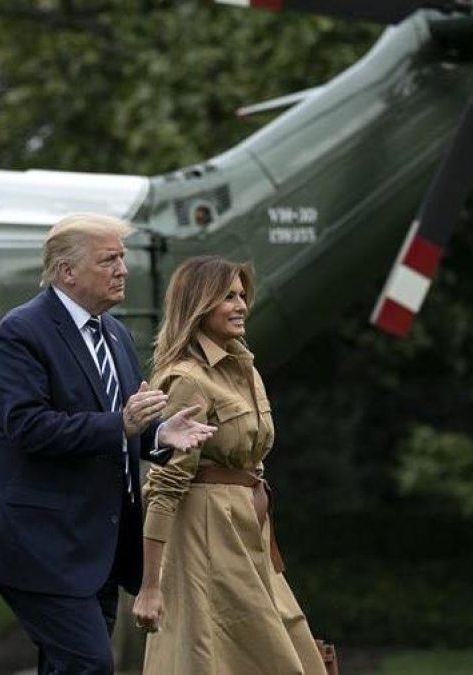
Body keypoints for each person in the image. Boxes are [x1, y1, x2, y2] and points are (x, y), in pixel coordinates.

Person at [0, 213, 215, 675]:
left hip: (98, 543)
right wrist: (124, 426)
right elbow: (29, 428)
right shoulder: (21, 332)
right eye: (108, 259)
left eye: (123, 257)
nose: (123, 269)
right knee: (89, 665)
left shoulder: (113, 332)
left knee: (71, 666)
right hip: (37, 542)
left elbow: (125, 422)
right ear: (66, 271)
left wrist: (159, 435)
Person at [131, 255, 328, 674]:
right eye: (227, 297)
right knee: (232, 654)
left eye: (242, 295)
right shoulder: (186, 379)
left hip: (249, 527)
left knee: (282, 638)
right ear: (199, 305)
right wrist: (151, 586)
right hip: (206, 531)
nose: (241, 305)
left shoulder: (245, 369)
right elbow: (164, 485)